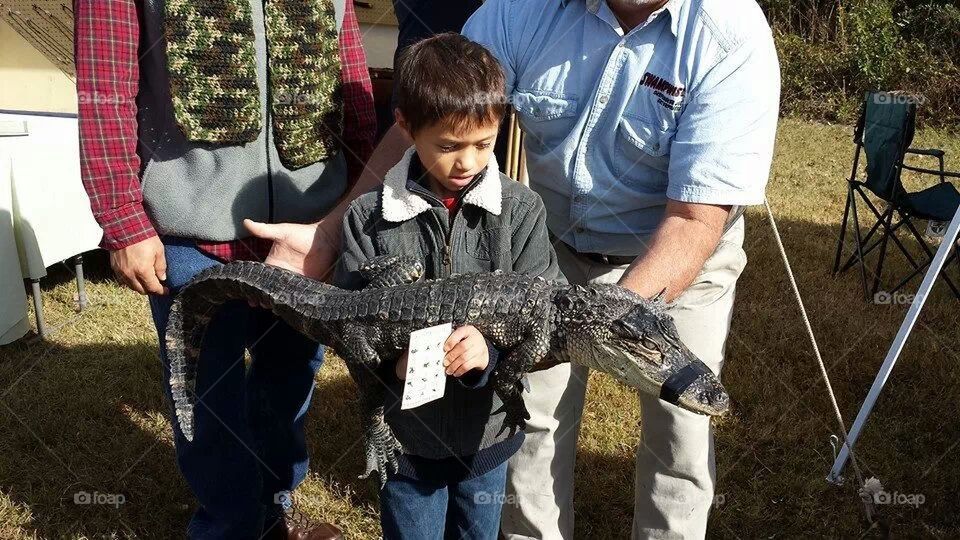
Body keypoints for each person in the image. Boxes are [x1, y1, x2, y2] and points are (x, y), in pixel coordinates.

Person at [461, 0, 781, 537]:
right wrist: (331, 231)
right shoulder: (520, 9)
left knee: (680, 430)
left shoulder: (731, 34)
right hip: (550, 248)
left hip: (682, 255)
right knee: (529, 417)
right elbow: (442, 114)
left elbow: (692, 221)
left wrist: (596, 323)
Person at [75, 0, 378, 537]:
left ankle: (273, 510)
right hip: (190, 237)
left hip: (306, 233)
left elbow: (349, 78)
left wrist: (350, 211)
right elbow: (104, 89)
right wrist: (123, 218)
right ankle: (230, 525)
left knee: (289, 378)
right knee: (204, 395)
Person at [334, 33, 562, 539]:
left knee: (478, 533)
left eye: (484, 144)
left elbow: (545, 311)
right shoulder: (367, 219)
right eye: (447, 146)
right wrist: (389, 365)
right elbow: (345, 320)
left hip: (488, 436)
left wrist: (491, 348)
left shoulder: (521, 212)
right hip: (405, 439)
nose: (468, 163)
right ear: (406, 126)